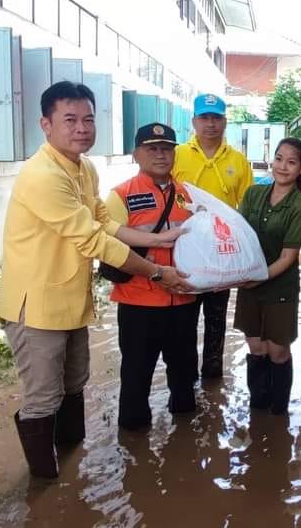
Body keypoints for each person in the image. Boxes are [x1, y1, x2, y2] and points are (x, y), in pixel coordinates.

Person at [0, 82, 192, 478]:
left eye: (88, 119)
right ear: (46, 124)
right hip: (35, 306)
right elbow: (93, 240)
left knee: (75, 383)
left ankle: (73, 466)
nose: (82, 128)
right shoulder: (42, 175)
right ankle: (45, 485)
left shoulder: (85, 168)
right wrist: (157, 271)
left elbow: (104, 222)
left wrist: (157, 240)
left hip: (71, 299)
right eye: (70, 120)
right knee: (43, 397)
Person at [103, 123, 200, 430]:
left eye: (167, 149)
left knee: (184, 376)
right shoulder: (121, 196)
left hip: (183, 300)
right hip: (139, 303)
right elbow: (109, 247)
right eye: (152, 148)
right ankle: (132, 440)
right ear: (136, 154)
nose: (160, 155)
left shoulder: (188, 195)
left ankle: (186, 438)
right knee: (136, 375)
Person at [173, 93, 254, 379]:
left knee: (217, 318)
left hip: (222, 252)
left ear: (225, 122)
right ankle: (185, 380)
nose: (210, 124)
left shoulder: (238, 161)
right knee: (183, 319)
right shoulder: (177, 155)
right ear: (194, 121)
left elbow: (247, 208)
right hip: (185, 250)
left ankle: (212, 375)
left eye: (216, 118)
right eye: (204, 118)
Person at [234, 138, 301, 415]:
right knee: (256, 346)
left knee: (278, 351)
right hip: (249, 286)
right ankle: (257, 406)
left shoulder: (299, 207)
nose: (282, 166)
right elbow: (238, 235)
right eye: (279, 159)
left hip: (280, 288)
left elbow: (288, 257)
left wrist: (258, 278)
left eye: (291, 162)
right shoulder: (253, 194)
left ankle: (278, 411)